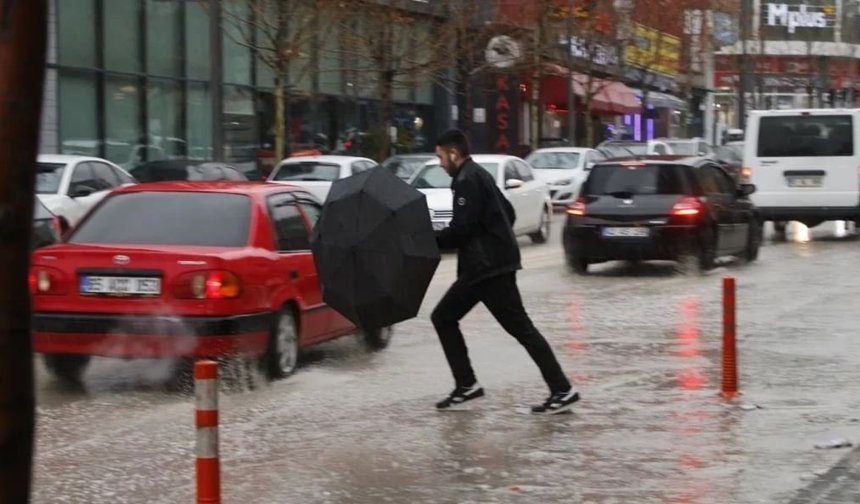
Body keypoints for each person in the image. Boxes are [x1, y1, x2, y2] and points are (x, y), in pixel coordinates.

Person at [430, 129, 579, 415]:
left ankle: (562, 389)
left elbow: (462, 230)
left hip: (489, 270)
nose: (439, 164)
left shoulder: (466, 180)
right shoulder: (479, 174)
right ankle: (466, 385)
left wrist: (431, 238)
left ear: (453, 153)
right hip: (483, 268)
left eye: (440, 157)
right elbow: (507, 213)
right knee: (444, 317)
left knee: (521, 328)